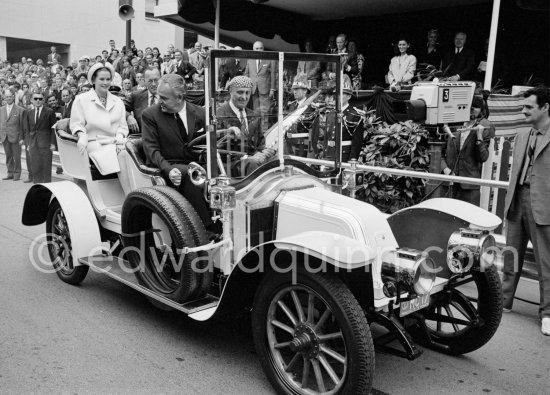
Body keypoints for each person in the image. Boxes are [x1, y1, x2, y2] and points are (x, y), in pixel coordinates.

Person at [502, 86, 550, 336]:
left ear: (545, 108)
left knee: (546, 261)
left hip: (543, 204)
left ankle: (548, 313)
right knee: (511, 253)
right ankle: (505, 300)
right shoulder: (523, 134)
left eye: (529, 107)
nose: (524, 111)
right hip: (517, 198)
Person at [140, 73, 216, 231]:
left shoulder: (201, 113)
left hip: (197, 165)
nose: (160, 101)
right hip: (169, 167)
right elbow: (151, 149)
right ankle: (207, 229)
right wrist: (168, 169)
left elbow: (210, 142)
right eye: (159, 96)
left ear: (180, 97)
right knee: (191, 173)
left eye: (164, 98)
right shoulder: (150, 115)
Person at [70, 63, 129, 182]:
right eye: (101, 79)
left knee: (131, 155)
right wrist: (81, 136)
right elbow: (77, 123)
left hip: (116, 142)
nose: (105, 83)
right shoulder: (81, 99)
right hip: (94, 142)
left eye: (108, 79)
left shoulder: (118, 101)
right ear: (93, 80)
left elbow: (122, 127)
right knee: (115, 156)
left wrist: (119, 138)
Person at [216, 76, 276, 176]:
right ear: (230, 91)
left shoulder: (253, 115)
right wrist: (247, 157)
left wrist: (264, 151)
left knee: (281, 159)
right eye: (240, 92)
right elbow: (219, 150)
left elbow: (260, 143)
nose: (244, 97)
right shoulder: (219, 114)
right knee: (252, 163)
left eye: (247, 93)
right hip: (229, 164)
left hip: (251, 161)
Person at [440, 96, 495, 205]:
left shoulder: (485, 127)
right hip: (449, 183)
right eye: (469, 107)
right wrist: (445, 169)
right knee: (446, 217)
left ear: (481, 110)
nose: (471, 110)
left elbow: (483, 157)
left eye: (475, 108)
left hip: (470, 185)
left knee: (469, 219)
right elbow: (439, 152)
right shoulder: (452, 125)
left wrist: (479, 137)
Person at [23, 91, 57, 183]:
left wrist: (53, 143)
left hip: (45, 144)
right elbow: (28, 130)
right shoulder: (29, 112)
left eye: (40, 99)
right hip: (33, 144)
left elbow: (53, 129)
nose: (38, 101)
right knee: (35, 166)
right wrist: (28, 144)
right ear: (31, 100)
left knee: (46, 167)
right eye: (36, 99)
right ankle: (37, 184)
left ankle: (47, 187)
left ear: (43, 100)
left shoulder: (49, 112)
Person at [243, 41, 275, 131]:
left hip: (265, 89)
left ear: (263, 49)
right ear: (253, 49)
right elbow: (246, 74)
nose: (259, 50)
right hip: (253, 90)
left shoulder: (269, 59)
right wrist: (246, 88)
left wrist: (272, 89)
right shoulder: (250, 60)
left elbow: (273, 75)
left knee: (265, 112)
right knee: (256, 112)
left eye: (260, 48)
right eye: (257, 48)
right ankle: (257, 133)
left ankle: (264, 133)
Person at [124, 68, 161, 134]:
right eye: (150, 81)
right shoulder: (136, 96)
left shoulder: (168, 96)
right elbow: (121, 108)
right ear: (145, 81)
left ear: (160, 80)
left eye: (156, 80)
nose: (153, 84)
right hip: (141, 136)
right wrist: (129, 117)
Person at [0, 90, 26, 181]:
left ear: (13, 97)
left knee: (17, 157)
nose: (9, 98)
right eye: (7, 97)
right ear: (4, 98)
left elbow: (23, 126)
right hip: (4, 137)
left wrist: (21, 138)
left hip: (16, 137)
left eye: (10, 96)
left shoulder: (20, 110)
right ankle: (10, 173)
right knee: (8, 156)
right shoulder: (1, 109)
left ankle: (17, 174)